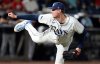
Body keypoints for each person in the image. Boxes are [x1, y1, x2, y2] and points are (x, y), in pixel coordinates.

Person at [8, 2, 87, 64]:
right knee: (36, 39)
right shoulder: (50, 17)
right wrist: (17, 16)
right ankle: (27, 24)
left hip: (64, 44)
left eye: (53, 9)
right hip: (52, 35)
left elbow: (83, 33)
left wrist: (79, 47)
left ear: (59, 11)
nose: (51, 11)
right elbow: (35, 17)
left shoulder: (73, 22)